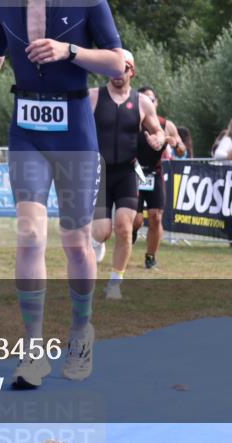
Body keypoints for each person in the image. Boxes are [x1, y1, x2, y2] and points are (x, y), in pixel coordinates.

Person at [0, 0, 125, 389]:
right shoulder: (5, 4)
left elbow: (118, 60)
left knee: (75, 241)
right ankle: (33, 349)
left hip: (74, 128)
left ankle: (80, 333)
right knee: (30, 233)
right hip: (27, 128)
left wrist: (68, 52)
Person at [89, 50, 164, 298]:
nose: (118, 74)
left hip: (128, 171)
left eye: (124, 69)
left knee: (124, 226)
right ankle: (95, 242)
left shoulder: (142, 102)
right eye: (114, 69)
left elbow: (158, 131)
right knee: (102, 231)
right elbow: (76, 126)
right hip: (99, 171)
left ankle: (115, 282)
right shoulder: (94, 97)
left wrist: (157, 139)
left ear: (132, 71)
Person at [133, 85, 184, 269]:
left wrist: (175, 142)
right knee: (136, 219)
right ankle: (132, 231)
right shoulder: (133, 122)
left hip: (155, 173)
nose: (149, 103)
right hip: (134, 171)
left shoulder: (166, 124)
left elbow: (181, 148)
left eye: (152, 100)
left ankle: (150, 256)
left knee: (155, 217)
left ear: (156, 102)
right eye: (145, 99)